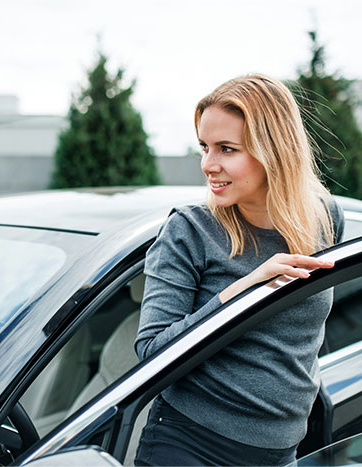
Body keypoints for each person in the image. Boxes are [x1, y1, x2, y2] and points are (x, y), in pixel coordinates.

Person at [133, 74, 345, 466]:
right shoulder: (190, 230)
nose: (208, 165)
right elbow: (151, 353)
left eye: (226, 149)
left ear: (274, 150)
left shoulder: (324, 218)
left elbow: (306, 336)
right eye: (204, 147)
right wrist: (245, 289)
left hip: (283, 452)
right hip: (190, 445)